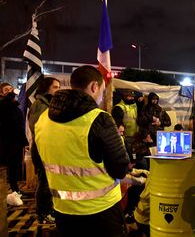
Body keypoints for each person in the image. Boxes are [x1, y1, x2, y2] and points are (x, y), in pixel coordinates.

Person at [35, 65, 130, 236]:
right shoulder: (99, 119)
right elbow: (120, 168)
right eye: (102, 90)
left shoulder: (43, 118)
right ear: (94, 86)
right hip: (102, 211)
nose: (101, 97)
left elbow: (38, 160)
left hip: (63, 210)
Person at [28, 77, 61, 223]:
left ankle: (47, 209)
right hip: (42, 148)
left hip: (48, 147)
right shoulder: (40, 104)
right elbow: (38, 127)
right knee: (45, 181)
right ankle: (43, 213)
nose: (58, 90)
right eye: (55, 87)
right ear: (46, 88)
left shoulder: (48, 103)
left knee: (48, 180)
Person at [0, 82, 28, 206]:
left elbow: (19, 126)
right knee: (9, 167)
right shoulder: (3, 104)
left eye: (11, 89)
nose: (10, 91)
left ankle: (15, 189)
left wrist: (24, 141)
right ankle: (12, 190)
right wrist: (10, 96)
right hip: (7, 142)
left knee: (15, 168)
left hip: (16, 142)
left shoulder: (14, 106)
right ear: (1, 92)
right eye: (6, 90)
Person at [112, 89, 140, 157]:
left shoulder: (134, 106)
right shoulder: (119, 107)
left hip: (135, 135)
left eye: (133, 97)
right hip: (125, 136)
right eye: (130, 96)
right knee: (127, 154)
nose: (132, 98)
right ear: (124, 97)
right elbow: (117, 121)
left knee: (134, 154)